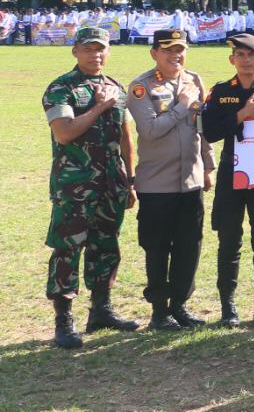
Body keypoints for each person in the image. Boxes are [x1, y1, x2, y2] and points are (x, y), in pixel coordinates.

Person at [41, 26, 138, 348]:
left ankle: (101, 310)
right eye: (88, 49)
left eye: (101, 49)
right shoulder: (62, 88)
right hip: (75, 185)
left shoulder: (115, 87)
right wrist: (98, 107)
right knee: (68, 248)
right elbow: (64, 133)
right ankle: (63, 320)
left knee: (106, 245)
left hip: (111, 183)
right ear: (75, 52)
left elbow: (125, 137)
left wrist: (131, 179)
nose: (95, 54)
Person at [127, 28, 213, 331]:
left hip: (190, 180)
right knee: (158, 246)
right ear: (154, 54)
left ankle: (179, 305)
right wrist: (180, 106)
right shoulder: (141, 87)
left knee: (189, 245)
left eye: (180, 50)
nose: (175, 56)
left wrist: (208, 165)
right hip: (156, 183)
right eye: (168, 51)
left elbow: (201, 126)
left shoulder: (194, 80)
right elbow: (150, 130)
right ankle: (160, 311)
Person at [202, 32, 254, 328]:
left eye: (252, 55)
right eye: (240, 55)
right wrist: (242, 114)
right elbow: (210, 132)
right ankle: (228, 305)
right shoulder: (221, 91)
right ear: (232, 59)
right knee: (229, 240)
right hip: (230, 173)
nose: (246, 60)